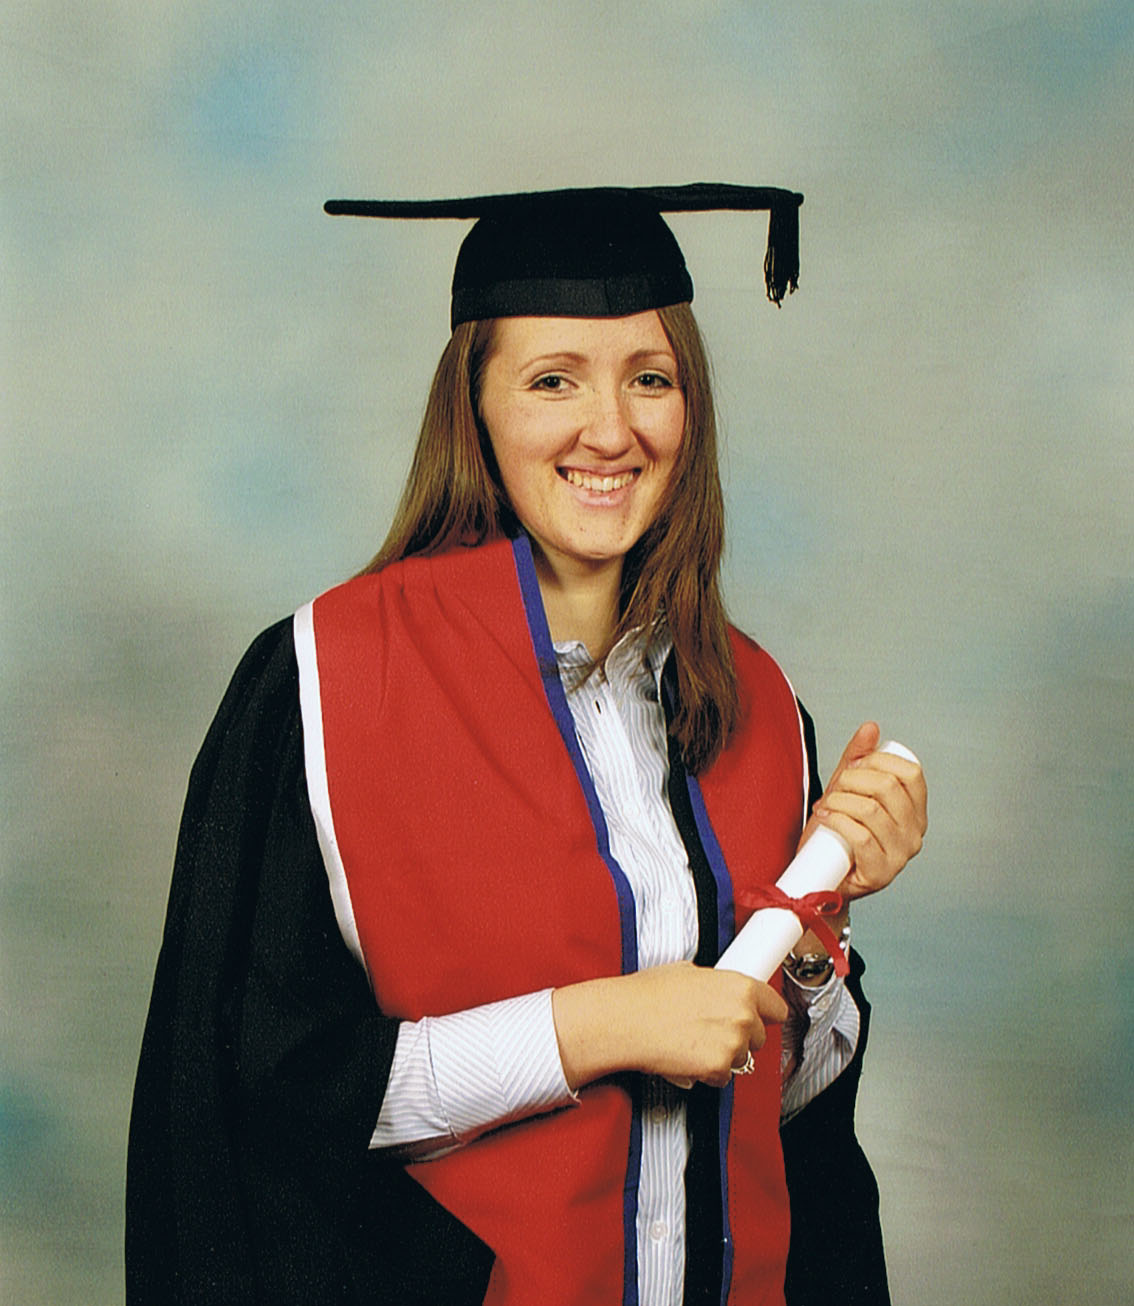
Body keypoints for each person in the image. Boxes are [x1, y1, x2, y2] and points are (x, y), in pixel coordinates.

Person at [126, 185, 927, 1306]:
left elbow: (783, 1119)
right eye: (554, 379)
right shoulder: (324, 682)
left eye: (650, 377)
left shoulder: (754, 701)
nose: (612, 429)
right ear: (476, 406)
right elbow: (255, 1098)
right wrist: (595, 1025)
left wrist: (816, 927)